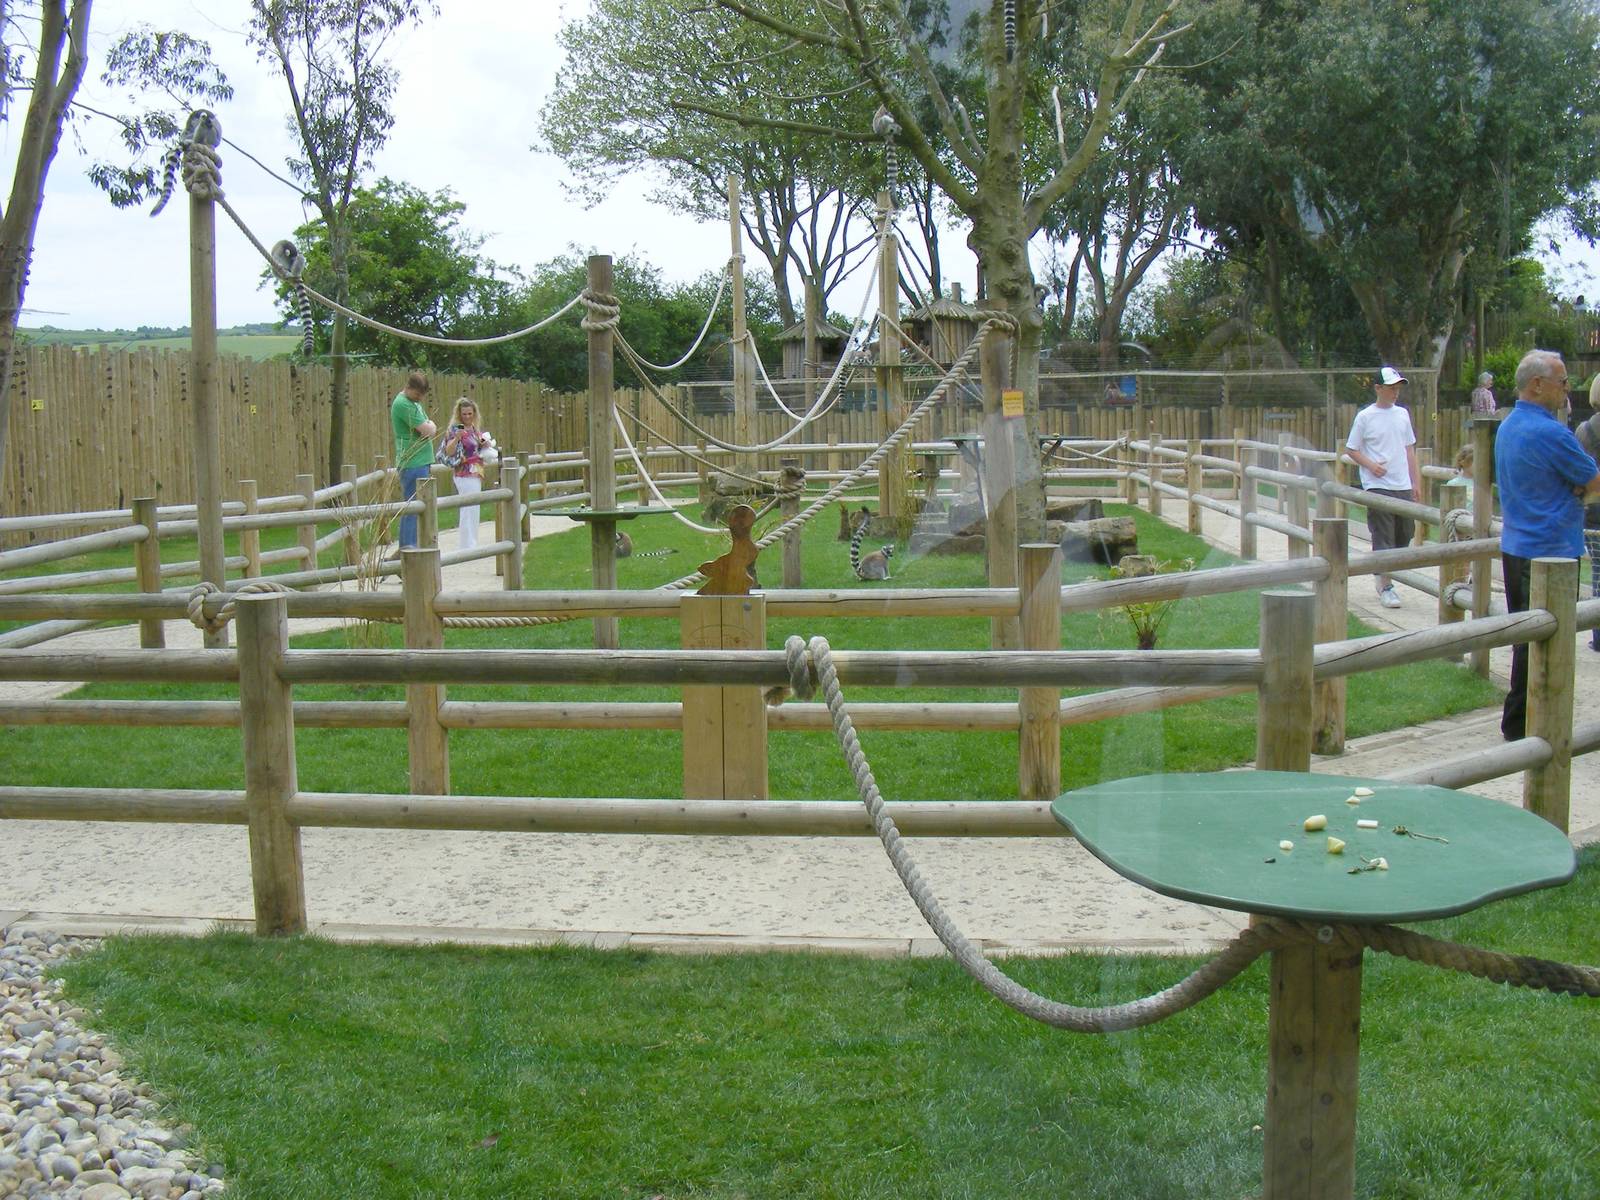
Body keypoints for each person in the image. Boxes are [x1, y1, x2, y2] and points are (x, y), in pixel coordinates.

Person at [1494, 349, 1600, 738]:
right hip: (1551, 551)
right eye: (1563, 381)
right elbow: (1595, 482)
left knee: (1526, 639)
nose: (1567, 388)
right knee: (1548, 643)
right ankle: (1529, 726)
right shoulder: (1553, 433)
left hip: (1516, 546)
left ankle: (1522, 722)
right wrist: (1579, 490)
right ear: (1538, 385)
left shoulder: (1508, 425)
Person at [1344, 366, 1419, 609]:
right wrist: (1371, 466)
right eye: (1391, 388)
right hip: (1377, 485)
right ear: (1378, 388)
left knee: (1405, 532)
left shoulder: (1402, 414)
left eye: (1398, 388)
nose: (1395, 392)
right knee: (1383, 534)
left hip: (1402, 483)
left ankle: (1383, 574)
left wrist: (1415, 482)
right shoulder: (1365, 417)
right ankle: (1386, 585)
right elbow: (1351, 449)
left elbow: (1409, 449)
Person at [390, 372, 436, 549]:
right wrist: (431, 425)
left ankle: (414, 545)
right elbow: (427, 430)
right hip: (413, 463)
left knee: (420, 506)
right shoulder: (403, 404)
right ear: (408, 387)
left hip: (421, 461)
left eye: (422, 395)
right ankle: (408, 548)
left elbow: (427, 427)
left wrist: (429, 425)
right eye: (417, 394)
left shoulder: (413, 403)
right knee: (412, 507)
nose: (420, 399)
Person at [440, 397, 489, 550]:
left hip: (476, 472)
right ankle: (467, 546)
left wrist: (485, 443)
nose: (467, 417)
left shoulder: (475, 430)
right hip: (464, 473)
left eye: (470, 414)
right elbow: (449, 451)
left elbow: (478, 447)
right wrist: (457, 438)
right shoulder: (455, 430)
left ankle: (471, 543)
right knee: (468, 508)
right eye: (464, 414)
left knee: (473, 508)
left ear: (474, 414)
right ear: (459, 414)